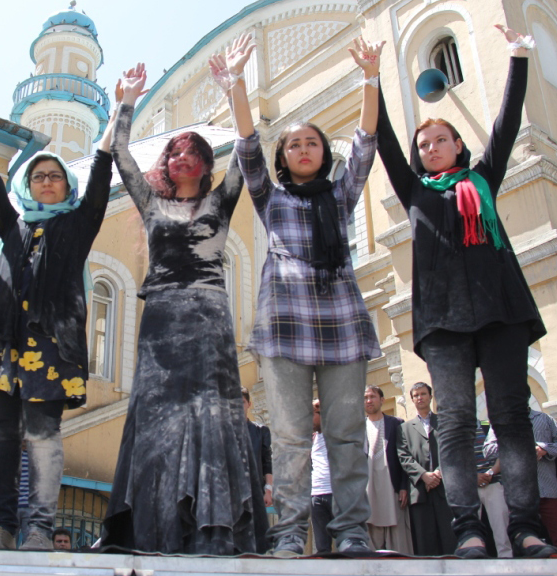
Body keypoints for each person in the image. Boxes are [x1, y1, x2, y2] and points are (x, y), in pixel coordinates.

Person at [373, 24, 557, 559]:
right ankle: (469, 531)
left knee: (511, 417)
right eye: (423, 143)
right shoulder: (412, 191)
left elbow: (506, 119)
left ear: (458, 145)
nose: (431, 148)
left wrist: (518, 55)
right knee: (453, 425)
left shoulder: (482, 178)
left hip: (501, 312)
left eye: (440, 140)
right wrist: (372, 80)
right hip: (444, 323)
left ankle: (525, 529)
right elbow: (384, 137)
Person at [211, 33, 383, 556]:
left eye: (311, 142)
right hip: (285, 328)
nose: (303, 149)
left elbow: (366, 144)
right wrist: (238, 82)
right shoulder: (271, 196)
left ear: (322, 152)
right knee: (288, 441)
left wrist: (371, 79)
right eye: (293, 144)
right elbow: (245, 147)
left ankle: (352, 532)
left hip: (342, 325)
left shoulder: (341, 194)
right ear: (283, 157)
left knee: (347, 434)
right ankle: (289, 535)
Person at [100, 63, 268, 555]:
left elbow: (249, 147)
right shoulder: (150, 203)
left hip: (210, 322)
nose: (183, 158)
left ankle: (215, 532)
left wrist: (235, 87)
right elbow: (118, 152)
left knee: (213, 417)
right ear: (166, 163)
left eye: (192, 152)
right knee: (157, 420)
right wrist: (126, 102)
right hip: (161, 324)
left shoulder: (222, 200)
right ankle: (152, 530)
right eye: (175, 152)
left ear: (205, 163)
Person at [0, 78, 118, 551]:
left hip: (50, 345)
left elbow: (98, 181)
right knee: (3, 438)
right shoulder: (13, 228)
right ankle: (3, 526)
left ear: (65, 185)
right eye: (38, 177)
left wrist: (121, 112)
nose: (46, 182)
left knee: (43, 435)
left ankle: (39, 527)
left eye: (54, 176)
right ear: (27, 185)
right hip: (3, 343)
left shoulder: (77, 225)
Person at [485, 407, 557, 553]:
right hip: (518, 496)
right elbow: (488, 450)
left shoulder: (545, 419)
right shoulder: (500, 422)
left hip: (548, 490)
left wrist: (544, 448)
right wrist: (514, 447)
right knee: (520, 540)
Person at [397, 382, 455, 555]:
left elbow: (451, 449)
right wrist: (424, 476)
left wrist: (438, 473)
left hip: (445, 490)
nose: (419, 398)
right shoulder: (404, 428)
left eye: (423, 394)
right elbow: (403, 456)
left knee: (450, 538)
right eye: (416, 395)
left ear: (430, 396)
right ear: (412, 399)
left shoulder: (444, 422)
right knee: (424, 543)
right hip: (419, 492)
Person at [363, 386, 411, 554]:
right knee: (370, 530)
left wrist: (404, 485)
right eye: (366, 397)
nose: (369, 400)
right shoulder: (358, 427)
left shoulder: (396, 423)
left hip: (392, 486)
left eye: (372, 396)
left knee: (397, 534)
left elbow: (405, 456)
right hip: (368, 488)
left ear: (382, 400)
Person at [474, 422, 511, 557]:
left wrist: (490, 473)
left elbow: (504, 451)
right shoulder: (457, 431)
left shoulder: (488, 427)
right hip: (469, 488)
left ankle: (508, 567)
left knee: (502, 531)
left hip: (494, 483)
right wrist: (473, 476)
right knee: (471, 533)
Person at [242, 388, 273, 507]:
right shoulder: (223, 432)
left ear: (249, 404)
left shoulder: (261, 431)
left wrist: (268, 490)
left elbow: (267, 462)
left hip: (255, 490)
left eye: (242, 402)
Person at [310, 399, 333, 554]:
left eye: (311, 414)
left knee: (346, 541)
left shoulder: (337, 435)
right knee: (322, 547)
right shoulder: (312, 438)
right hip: (316, 495)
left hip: (336, 493)